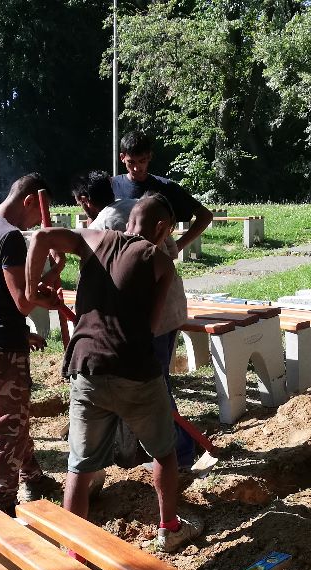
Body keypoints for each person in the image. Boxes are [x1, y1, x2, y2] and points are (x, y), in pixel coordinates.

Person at [26, 193, 203, 553]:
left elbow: (41, 237)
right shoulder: (160, 262)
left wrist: (30, 291)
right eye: (169, 231)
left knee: (80, 466)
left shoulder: (92, 238)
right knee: (164, 453)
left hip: (86, 368)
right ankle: (169, 528)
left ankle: (72, 551)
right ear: (161, 227)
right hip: (136, 372)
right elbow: (151, 327)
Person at [72, 171, 196, 469]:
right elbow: (169, 253)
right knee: (157, 383)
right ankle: (157, 450)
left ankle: (177, 452)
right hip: (169, 312)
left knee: (151, 388)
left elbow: (92, 280)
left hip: (142, 321)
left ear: (85, 201)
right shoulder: (142, 207)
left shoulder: (102, 226)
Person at [0, 173, 63, 515]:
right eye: (40, 213)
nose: (38, 221)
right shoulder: (9, 237)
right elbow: (23, 301)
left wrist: (21, 333)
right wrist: (49, 293)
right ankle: (2, 503)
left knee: (15, 418)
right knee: (7, 428)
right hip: (1, 349)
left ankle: (34, 477)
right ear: (29, 201)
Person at [111, 132, 214, 257]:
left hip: (155, 261)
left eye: (142, 161)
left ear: (149, 156)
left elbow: (205, 216)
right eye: (131, 162)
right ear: (122, 157)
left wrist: (178, 246)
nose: (136, 168)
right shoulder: (111, 186)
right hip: (117, 259)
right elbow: (94, 218)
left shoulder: (166, 187)